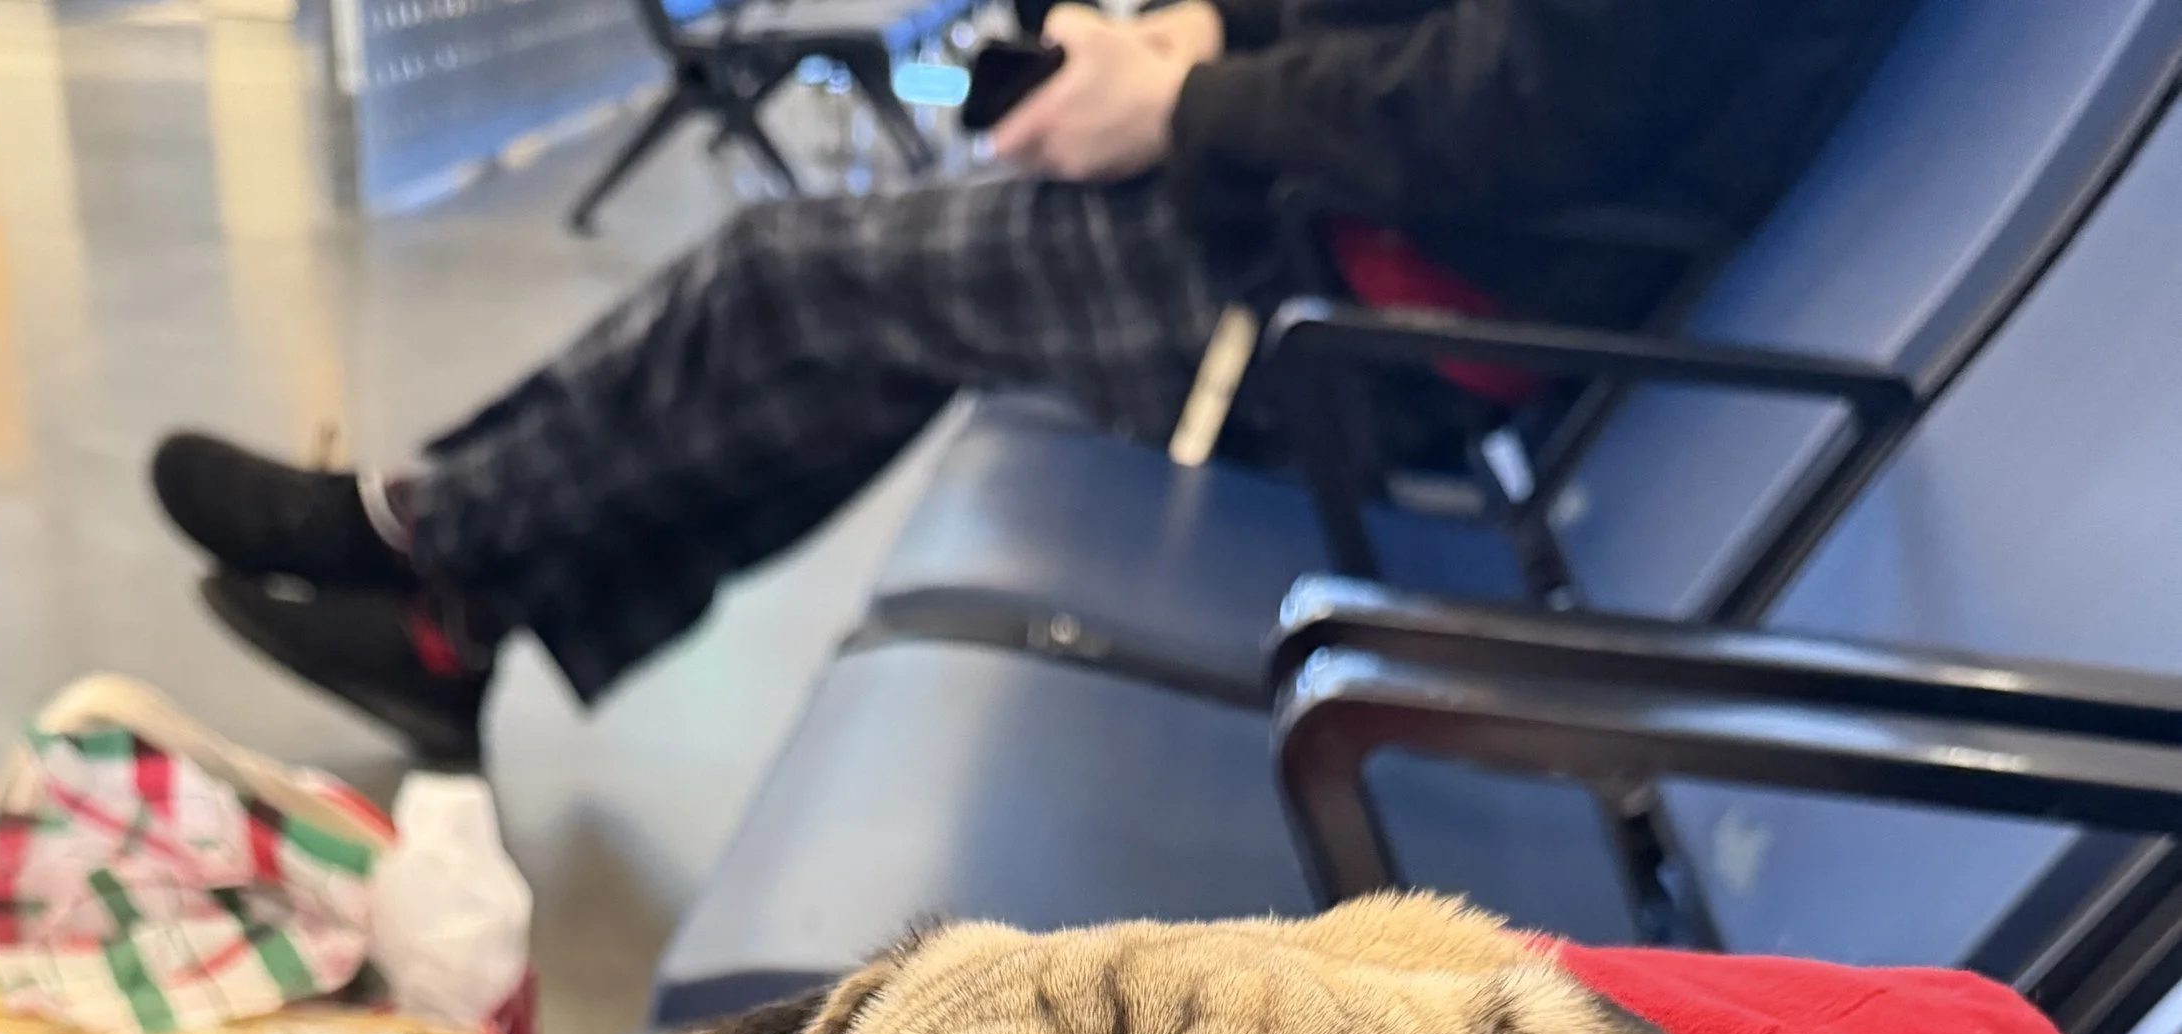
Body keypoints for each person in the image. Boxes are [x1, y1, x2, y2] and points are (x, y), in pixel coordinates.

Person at [152, 0, 1911, 761]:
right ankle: (459, 611)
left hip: (1371, 332)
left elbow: (1522, 107)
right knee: (843, 327)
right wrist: (1200, 44)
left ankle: (432, 552)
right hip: (1343, 236)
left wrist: (1190, 107)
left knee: (796, 282)